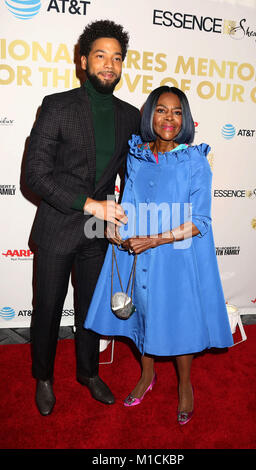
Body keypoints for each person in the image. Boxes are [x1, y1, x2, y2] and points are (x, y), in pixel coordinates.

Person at [84, 86, 234, 425]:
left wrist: (155, 240)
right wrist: (114, 223)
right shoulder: (137, 154)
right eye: (162, 110)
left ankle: (184, 386)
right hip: (136, 251)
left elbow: (200, 221)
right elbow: (131, 200)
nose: (169, 118)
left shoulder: (194, 160)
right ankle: (146, 375)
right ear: (150, 114)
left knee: (178, 322)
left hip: (174, 255)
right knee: (143, 315)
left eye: (177, 111)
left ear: (186, 119)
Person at [25, 20, 141, 416]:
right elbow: (35, 175)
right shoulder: (58, 105)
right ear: (83, 61)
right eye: (100, 56)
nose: (109, 64)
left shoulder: (129, 116)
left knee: (91, 307)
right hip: (58, 226)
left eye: (117, 58)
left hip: (98, 232)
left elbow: (131, 175)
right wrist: (91, 204)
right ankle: (43, 377)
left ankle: (88, 373)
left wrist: (124, 216)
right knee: (48, 308)